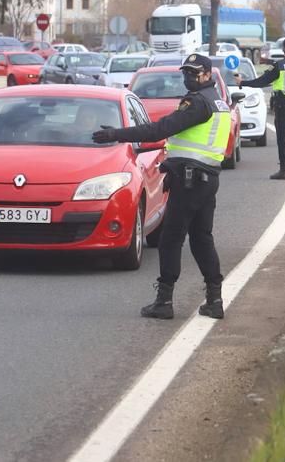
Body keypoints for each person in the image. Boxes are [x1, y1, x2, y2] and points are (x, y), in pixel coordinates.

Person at [93, 53, 231, 321]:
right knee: (202, 239)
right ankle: (214, 300)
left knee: (171, 239)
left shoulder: (197, 103)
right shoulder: (218, 102)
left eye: (194, 72)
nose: (188, 77)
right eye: (186, 72)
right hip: (205, 179)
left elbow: (160, 130)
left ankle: (164, 301)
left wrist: (115, 135)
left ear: (207, 75)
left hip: (190, 182)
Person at [235, 36, 285, 179]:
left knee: (282, 138)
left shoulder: (279, 66)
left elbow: (261, 81)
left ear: (283, 49)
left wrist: (242, 82)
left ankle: (284, 171)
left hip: (282, 107)